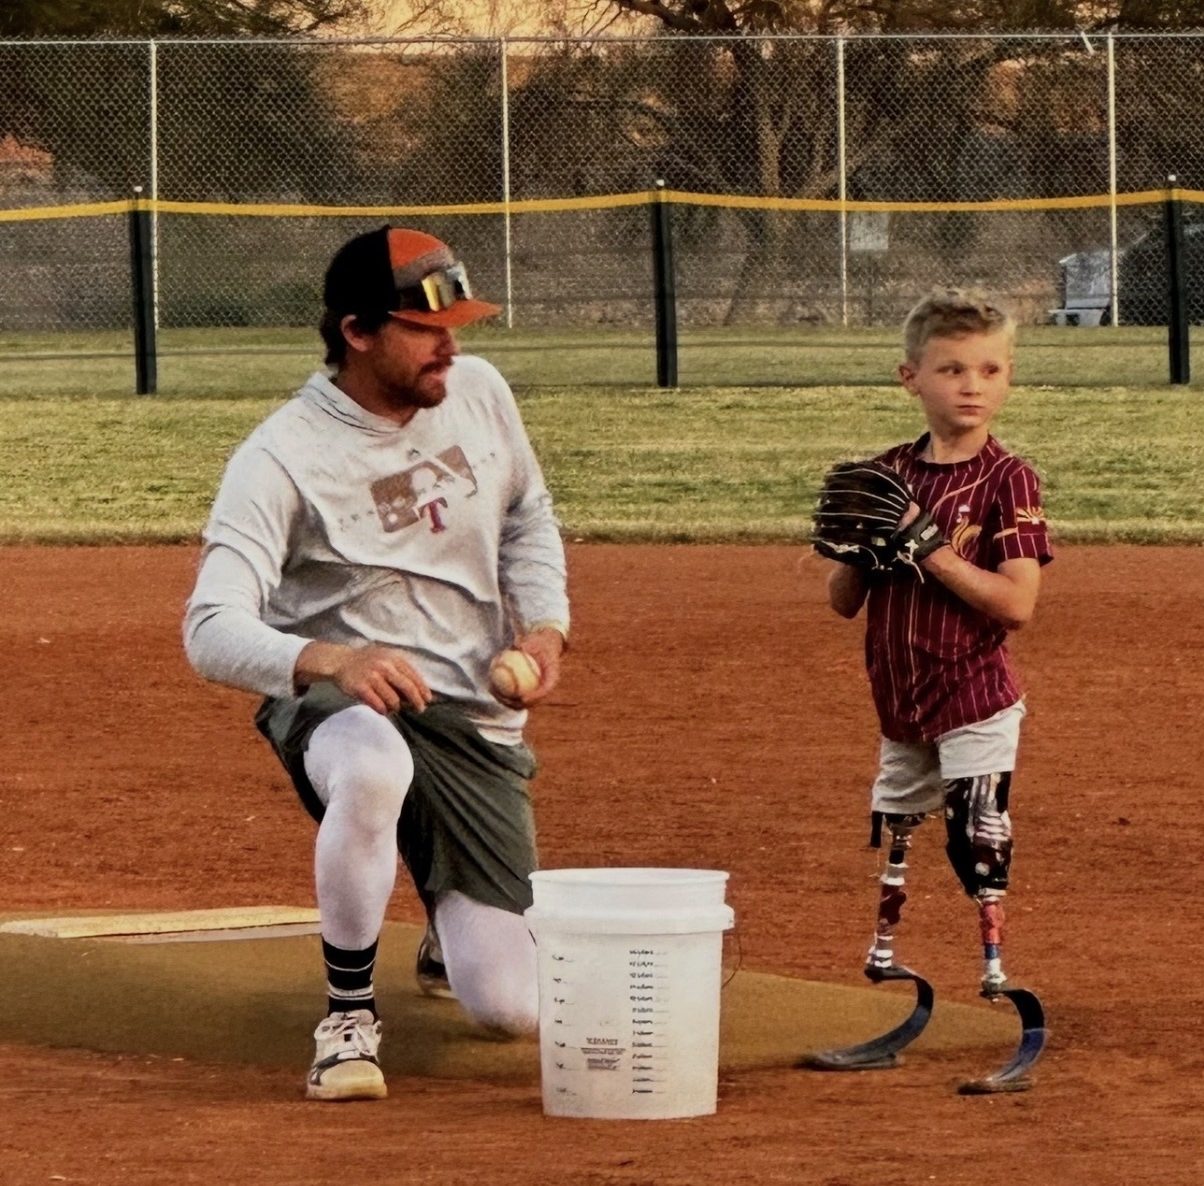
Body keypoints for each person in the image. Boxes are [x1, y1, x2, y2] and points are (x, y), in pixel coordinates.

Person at [183, 225, 570, 1102]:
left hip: (471, 717)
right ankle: (348, 1018)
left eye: (458, 324)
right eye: (424, 328)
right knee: (369, 762)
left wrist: (545, 627)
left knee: (509, 1007)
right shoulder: (282, 457)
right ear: (356, 332)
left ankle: (444, 915)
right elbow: (209, 628)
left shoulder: (478, 392)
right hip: (340, 699)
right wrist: (332, 660)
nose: (452, 345)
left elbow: (527, 517)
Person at [823, 289, 1052, 1001]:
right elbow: (843, 603)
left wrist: (933, 552)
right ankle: (885, 954)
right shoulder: (886, 474)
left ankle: (993, 976)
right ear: (910, 377)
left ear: (1009, 377)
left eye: (990, 370)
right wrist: (858, 548)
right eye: (952, 369)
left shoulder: (1009, 480)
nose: (972, 386)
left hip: (974, 692)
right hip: (900, 694)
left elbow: (1017, 604)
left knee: (976, 834)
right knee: (896, 824)